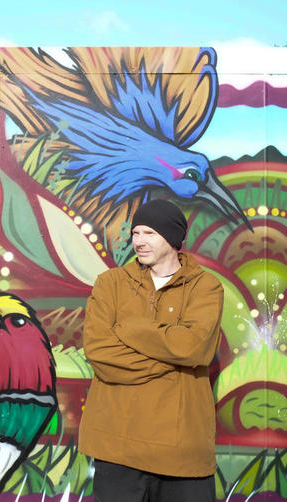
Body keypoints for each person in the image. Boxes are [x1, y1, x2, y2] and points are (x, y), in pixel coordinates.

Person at [78, 199, 224, 502]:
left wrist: (131, 329)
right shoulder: (110, 284)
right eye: (136, 233)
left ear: (172, 239)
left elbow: (194, 348)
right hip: (117, 448)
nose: (139, 242)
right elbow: (100, 354)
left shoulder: (206, 288)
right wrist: (172, 360)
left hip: (183, 451)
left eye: (149, 234)